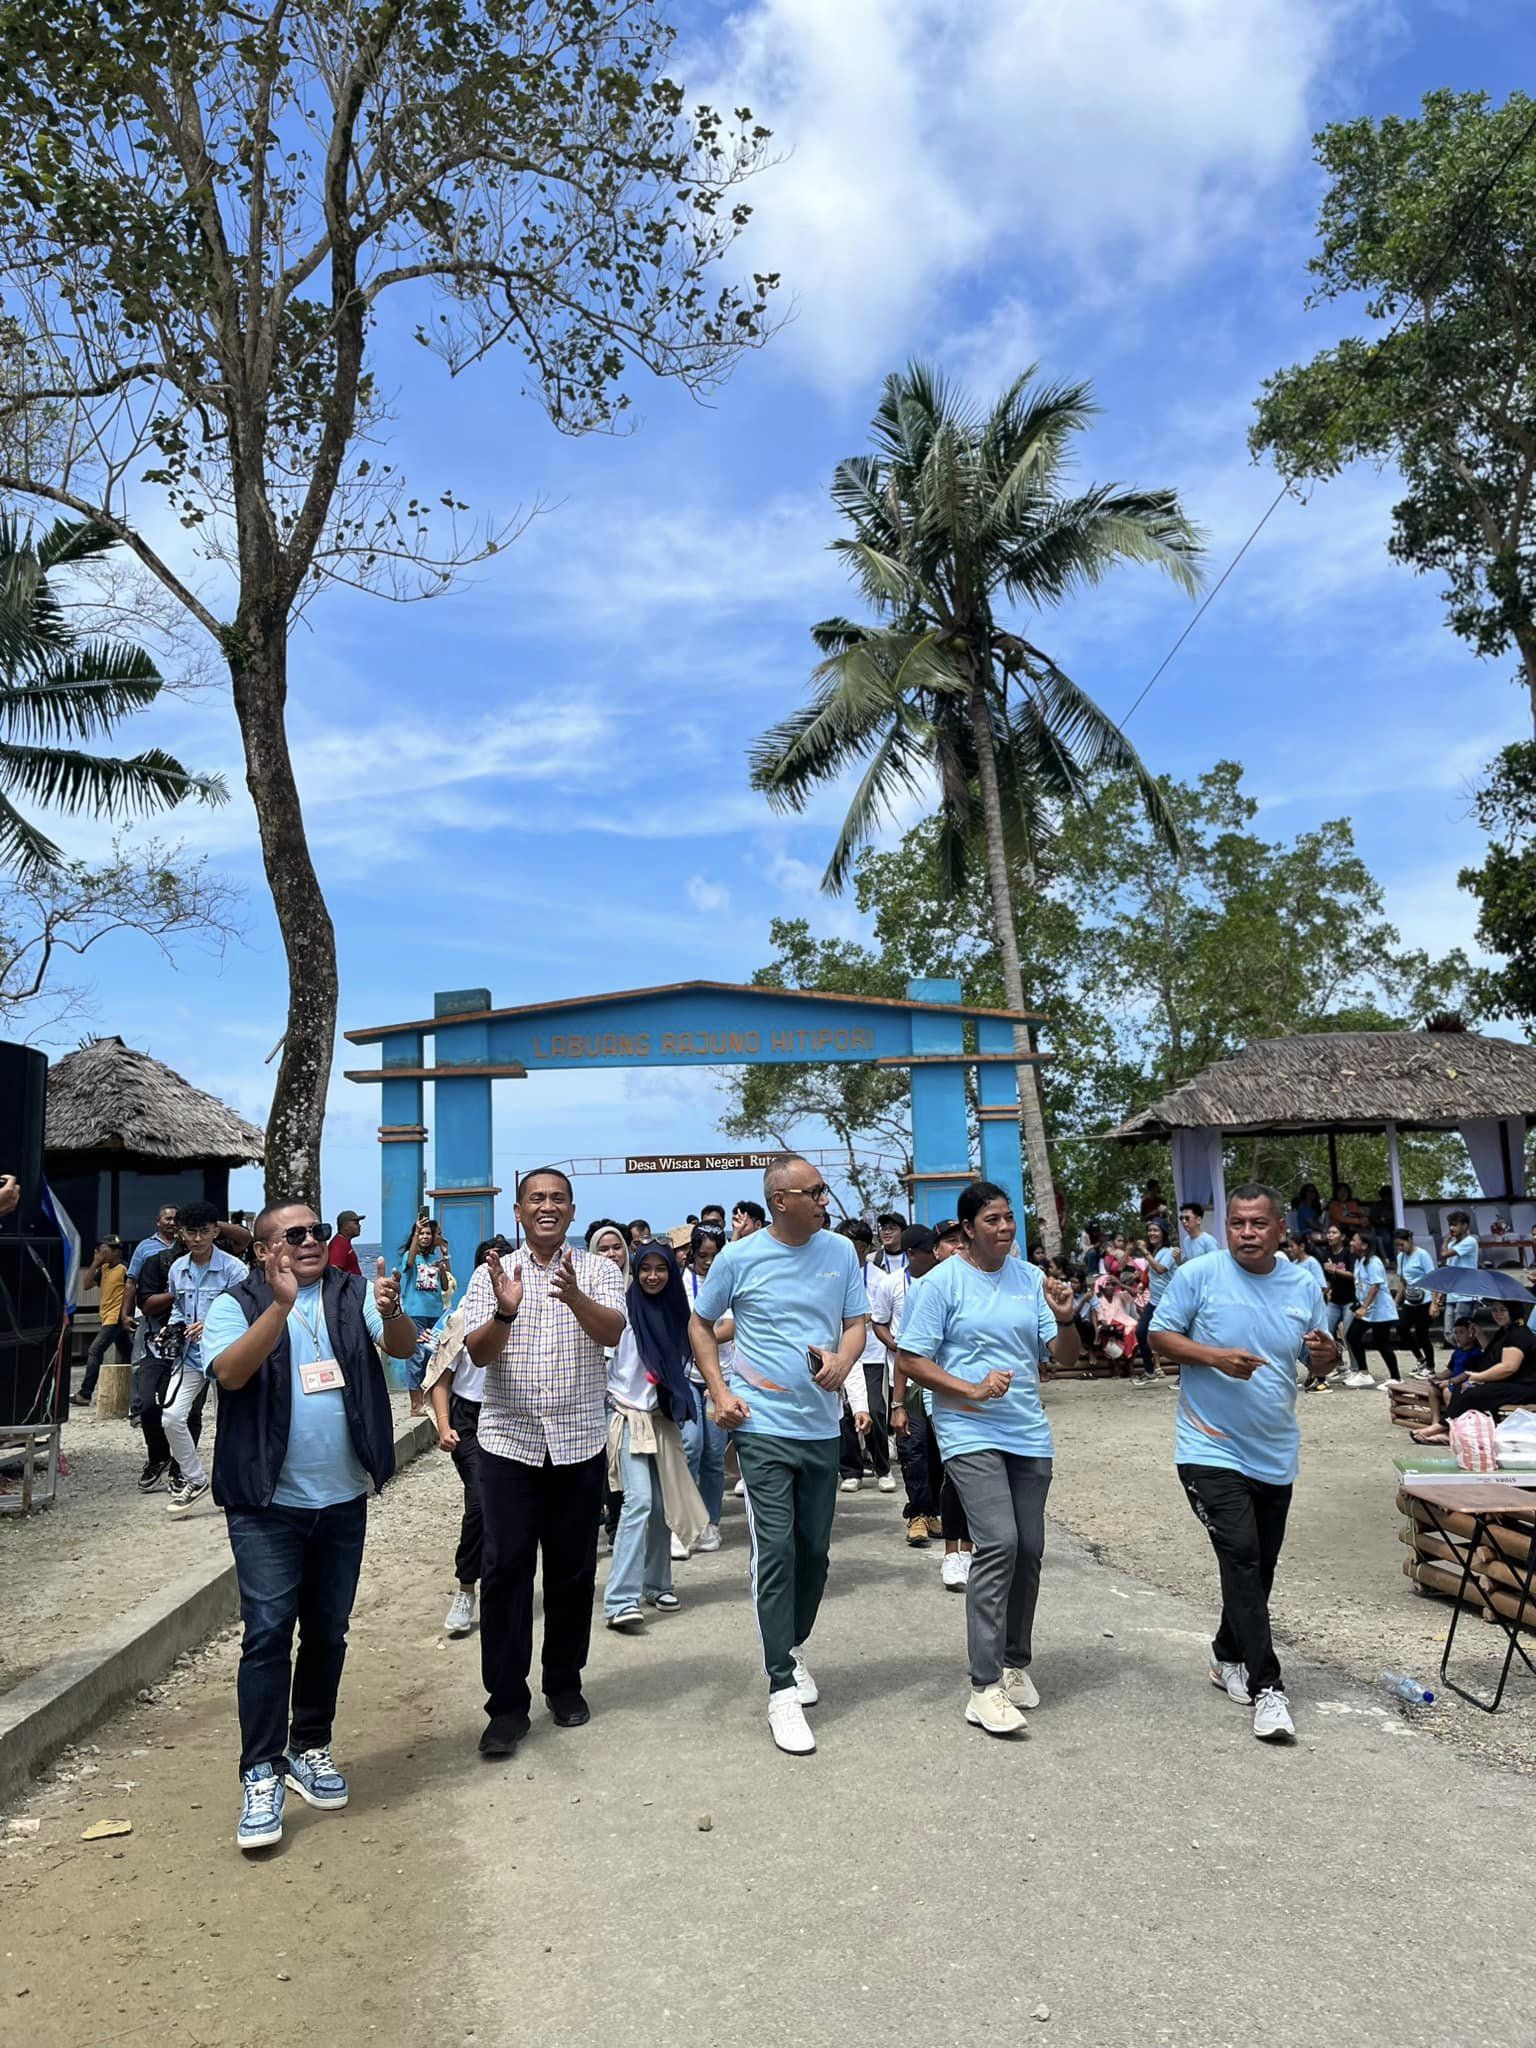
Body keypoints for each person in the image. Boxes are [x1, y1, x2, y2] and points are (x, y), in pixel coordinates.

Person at [201, 1203, 419, 1852]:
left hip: (342, 1499)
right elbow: (230, 1373)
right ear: (263, 1250)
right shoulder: (235, 1304)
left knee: (327, 1631)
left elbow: (402, 1346)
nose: (311, 1241)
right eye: (293, 1235)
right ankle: (261, 1772)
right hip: (264, 1504)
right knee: (268, 1634)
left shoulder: (354, 1293)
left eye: (317, 1232)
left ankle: (310, 1747)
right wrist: (279, 1306)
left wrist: (395, 1310)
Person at [687, 1153, 870, 1757]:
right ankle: (781, 1689)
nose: (823, 1200)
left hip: (821, 1426)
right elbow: (700, 1324)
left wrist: (844, 1359)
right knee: (776, 1549)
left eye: (823, 1190)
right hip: (761, 1425)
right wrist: (720, 1392)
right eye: (813, 1192)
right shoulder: (739, 1258)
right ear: (779, 1201)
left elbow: (856, 1323)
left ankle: (791, 1646)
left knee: (814, 1553)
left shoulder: (840, 1252)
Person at [1149, 1183, 1335, 1744]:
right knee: (1242, 1555)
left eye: (1258, 1224)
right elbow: (1159, 1337)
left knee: (1259, 1568)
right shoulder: (1199, 1276)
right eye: (1237, 1224)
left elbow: (1316, 1359)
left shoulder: (1303, 1285)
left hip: (1274, 1451)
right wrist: (1214, 1358)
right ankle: (1268, 1686)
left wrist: (1327, 1357)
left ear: (1280, 1229)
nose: (1246, 1234)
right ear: (1225, 1227)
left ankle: (1227, 1653)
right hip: (1208, 1447)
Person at [896, 1180, 1081, 1737]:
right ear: (968, 1228)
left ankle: (1014, 1662)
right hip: (967, 1427)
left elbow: (1065, 1359)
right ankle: (983, 1686)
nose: (1004, 1228)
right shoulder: (942, 1282)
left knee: (1030, 1548)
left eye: (1009, 1218)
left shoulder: (1029, 1280)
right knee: (998, 1541)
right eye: (992, 1220)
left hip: (1026, 1429)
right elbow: (910, 1358)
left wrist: (1066, 1318)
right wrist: (970, 1390)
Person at [460, 1169, 627, 1759]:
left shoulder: (600, 1270)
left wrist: (575, 1295)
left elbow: (613, 1331)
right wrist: (505, 1312)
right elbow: (478, 1353)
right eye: (537, 1198)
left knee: (572, 1571)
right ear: (519, 1210)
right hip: (508, 1444)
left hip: (578, 1443)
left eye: (558, 1198)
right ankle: (506, 1706)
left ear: (572, 1210)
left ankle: (563, 1682)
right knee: (505, 1571)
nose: (547, 1206)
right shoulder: (492, 1273)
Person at [604, 1241, 707, 1629]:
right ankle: (620, 1599)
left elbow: (693, 1357)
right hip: (627, 1416)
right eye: (644, 1268)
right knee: (640, 1501)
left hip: (662, 1420)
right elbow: (605, 1364)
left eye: (660, 1268)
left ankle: (657, 1584)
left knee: (663, 1504)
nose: (652, 1276)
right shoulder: (622, 1313)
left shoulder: (678, 1313)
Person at [427, 1238, 508, 1640]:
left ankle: (503, 1587)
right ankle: (465, 1590)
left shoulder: (526, 1314)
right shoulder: (460, 1320)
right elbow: (441, 1378)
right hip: (469, 1420)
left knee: (507, 1507)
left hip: (510, 1417)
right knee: (479, 1501)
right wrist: (444, 1426)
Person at [164, 1200, 250, 1513]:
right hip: (189, 1356)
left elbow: (248, 1310)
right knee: (171, 1416)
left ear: (215, 1231)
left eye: (204, 1231)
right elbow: (177, 1307)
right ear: (181, 1234)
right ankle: (195, 1478)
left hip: (226, 1355)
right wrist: (173, 1327)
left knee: (230, 1422)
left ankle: (236, 1486)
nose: (197, 1238)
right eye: (191, 1232)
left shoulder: (235, 1269)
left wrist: (212, 1323)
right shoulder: (177, 1269)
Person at [878, 1226, 943, 1545]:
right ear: (912, 1253)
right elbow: (878, 1322)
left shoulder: (946, 1283)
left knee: (937, 1452)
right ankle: (917, 1514)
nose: (937, 1255)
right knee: (913, 1449)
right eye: (930, 1250)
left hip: (942, 1381)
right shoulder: (892, 1284)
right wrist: (896, 1346)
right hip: (907, 1382)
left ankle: (932, 1513)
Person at [1410, 1299, 1536, 1442]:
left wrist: (1479, 1377)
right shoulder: (1505, 1331)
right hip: (1509, 1383)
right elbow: (1491, 1355)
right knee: (1461, 1388)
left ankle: (1441, 1427)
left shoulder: (1518, 1334)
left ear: (1513, 1311)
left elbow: (1508, 1367)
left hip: (1525, 1387)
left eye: (1503, 1310)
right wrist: (1479, 1334)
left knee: (1474, 1392)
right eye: (1494, 1310)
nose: (1498, 1314)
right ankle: (1451, 1431)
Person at [678, 1223, 729, 1552]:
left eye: (715, 1255)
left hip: (720, 1378)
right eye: (702, 1256)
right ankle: (684, 1521)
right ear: (691, 1254)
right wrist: (698, 1338)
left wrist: (699, 1337)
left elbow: (732, 1325)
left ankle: (711, 1522)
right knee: (690, 1446)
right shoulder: (679, 1282)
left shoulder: (729, 1279)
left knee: (714, 1454)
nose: (708, 1262)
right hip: (686, 1376)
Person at [836, 1218, 896, 1495]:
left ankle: (883, 1468)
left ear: (864, 1247)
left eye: (855, 1245)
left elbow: (881, 1314)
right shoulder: (832, 1275)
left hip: (871, 1353)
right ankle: (851, 1470)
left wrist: (861, 1318)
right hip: (841, 1352)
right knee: (845, 1412)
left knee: (874, 1409)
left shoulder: (879, 1278)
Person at [393, 1214, 453, 1417]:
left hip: (435, 1314)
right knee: (416, 1357)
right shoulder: (410, 1257)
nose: (425, 1237)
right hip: (416, 1313)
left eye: (428, 1234)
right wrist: (417, 1231)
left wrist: (444, 1261)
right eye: (422, 1234)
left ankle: (427, 1399)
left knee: (430, 1357)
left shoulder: (431, 1259)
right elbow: (409, 1263)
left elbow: (445, 1285)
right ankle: (415, 1403)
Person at [1343, 1226, 1400, 1386]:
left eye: (1354, 1240)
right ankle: (1363, 1373)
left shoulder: (1374, 1262)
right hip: (1367, 1309)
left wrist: (1364, 1307)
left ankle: (1396, 1378)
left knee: (1382, 1343)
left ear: (1364, 1245)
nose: (1351, 1243)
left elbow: (1375, 1286)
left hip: (1380, 1311)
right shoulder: (1359, 1261)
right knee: (1352, 1336)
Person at [74, 1236, 128, 1404]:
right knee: (128, 1353)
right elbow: (86, 1285)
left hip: (116, 1317)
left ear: (115, 1251)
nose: (101, 1254)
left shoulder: (124, 1269)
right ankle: (136, 1391)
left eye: (104, 1251)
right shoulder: (104, 1268)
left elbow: (132, 1292)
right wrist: (95, 1263)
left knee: (94, 1350)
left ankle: (85, 1394)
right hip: (106, 1316)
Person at [1132, 1218, 1177, 1388]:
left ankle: (1184, 1375)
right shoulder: (1155, 1251)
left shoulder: (1170, 1251)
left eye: (1156, 1230)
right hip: (1154, 1301)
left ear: (1163, 1233)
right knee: (1141, 1331)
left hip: (1169, 1302)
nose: (1152, 1233)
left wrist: (1145, 1252)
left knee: (1176, 1336)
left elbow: (1160, 1269)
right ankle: (1150, 1371)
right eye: (1150, 1230)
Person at [1284, 1233, 1331, 1391]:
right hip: (1297, 1310)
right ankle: (1314, 1372)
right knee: (1300, 1345)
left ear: (1302, 1246)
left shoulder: (1312, 1263)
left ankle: (1322, 1379)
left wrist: (1311, 1306)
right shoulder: (1294, 1264)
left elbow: (1321, 1287)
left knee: (1313, 1343)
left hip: (1311, 1311)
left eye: (1292, 1246)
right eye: (1288, 1246)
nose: (1290, 1249)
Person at [1392, 1226, 1436, 1377]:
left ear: (1409, 1240)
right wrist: (1396, 1301)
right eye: (1397, 1245)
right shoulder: (1401, 1257)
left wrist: (1434, 1303)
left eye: (1402, 1244)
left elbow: (1433, 1278)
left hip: (1425, 1299)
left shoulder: (1422, 1255)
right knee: (1402, 1328)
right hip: (1410, 1298)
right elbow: (1402, 1281)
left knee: (1422, 1334)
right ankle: (1420, 1359)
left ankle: (1430, 1366)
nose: (1400, 1248)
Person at [1437, 1208, 1482, 1344]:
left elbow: (1444, 1254)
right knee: (1449, 1332)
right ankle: (1462, 1351)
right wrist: (1443, 1292)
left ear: (1465, 1225)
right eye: (1450, 1225)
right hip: (1453, 1291)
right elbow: (1449, 1268)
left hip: (1466, 1293)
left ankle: (1468, 1352)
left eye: (1455, 1225)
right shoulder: (1452, 1244)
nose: (1451, 1228)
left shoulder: (1470, 1241)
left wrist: (1445, 1240)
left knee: (1462, 1330)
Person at [327, 1210, 365, 1277]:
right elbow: (334, 1273)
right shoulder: (339, 1244)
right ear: (345, 1226)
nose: (359, 1226)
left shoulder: (343, 1242)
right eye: (356, 1223)